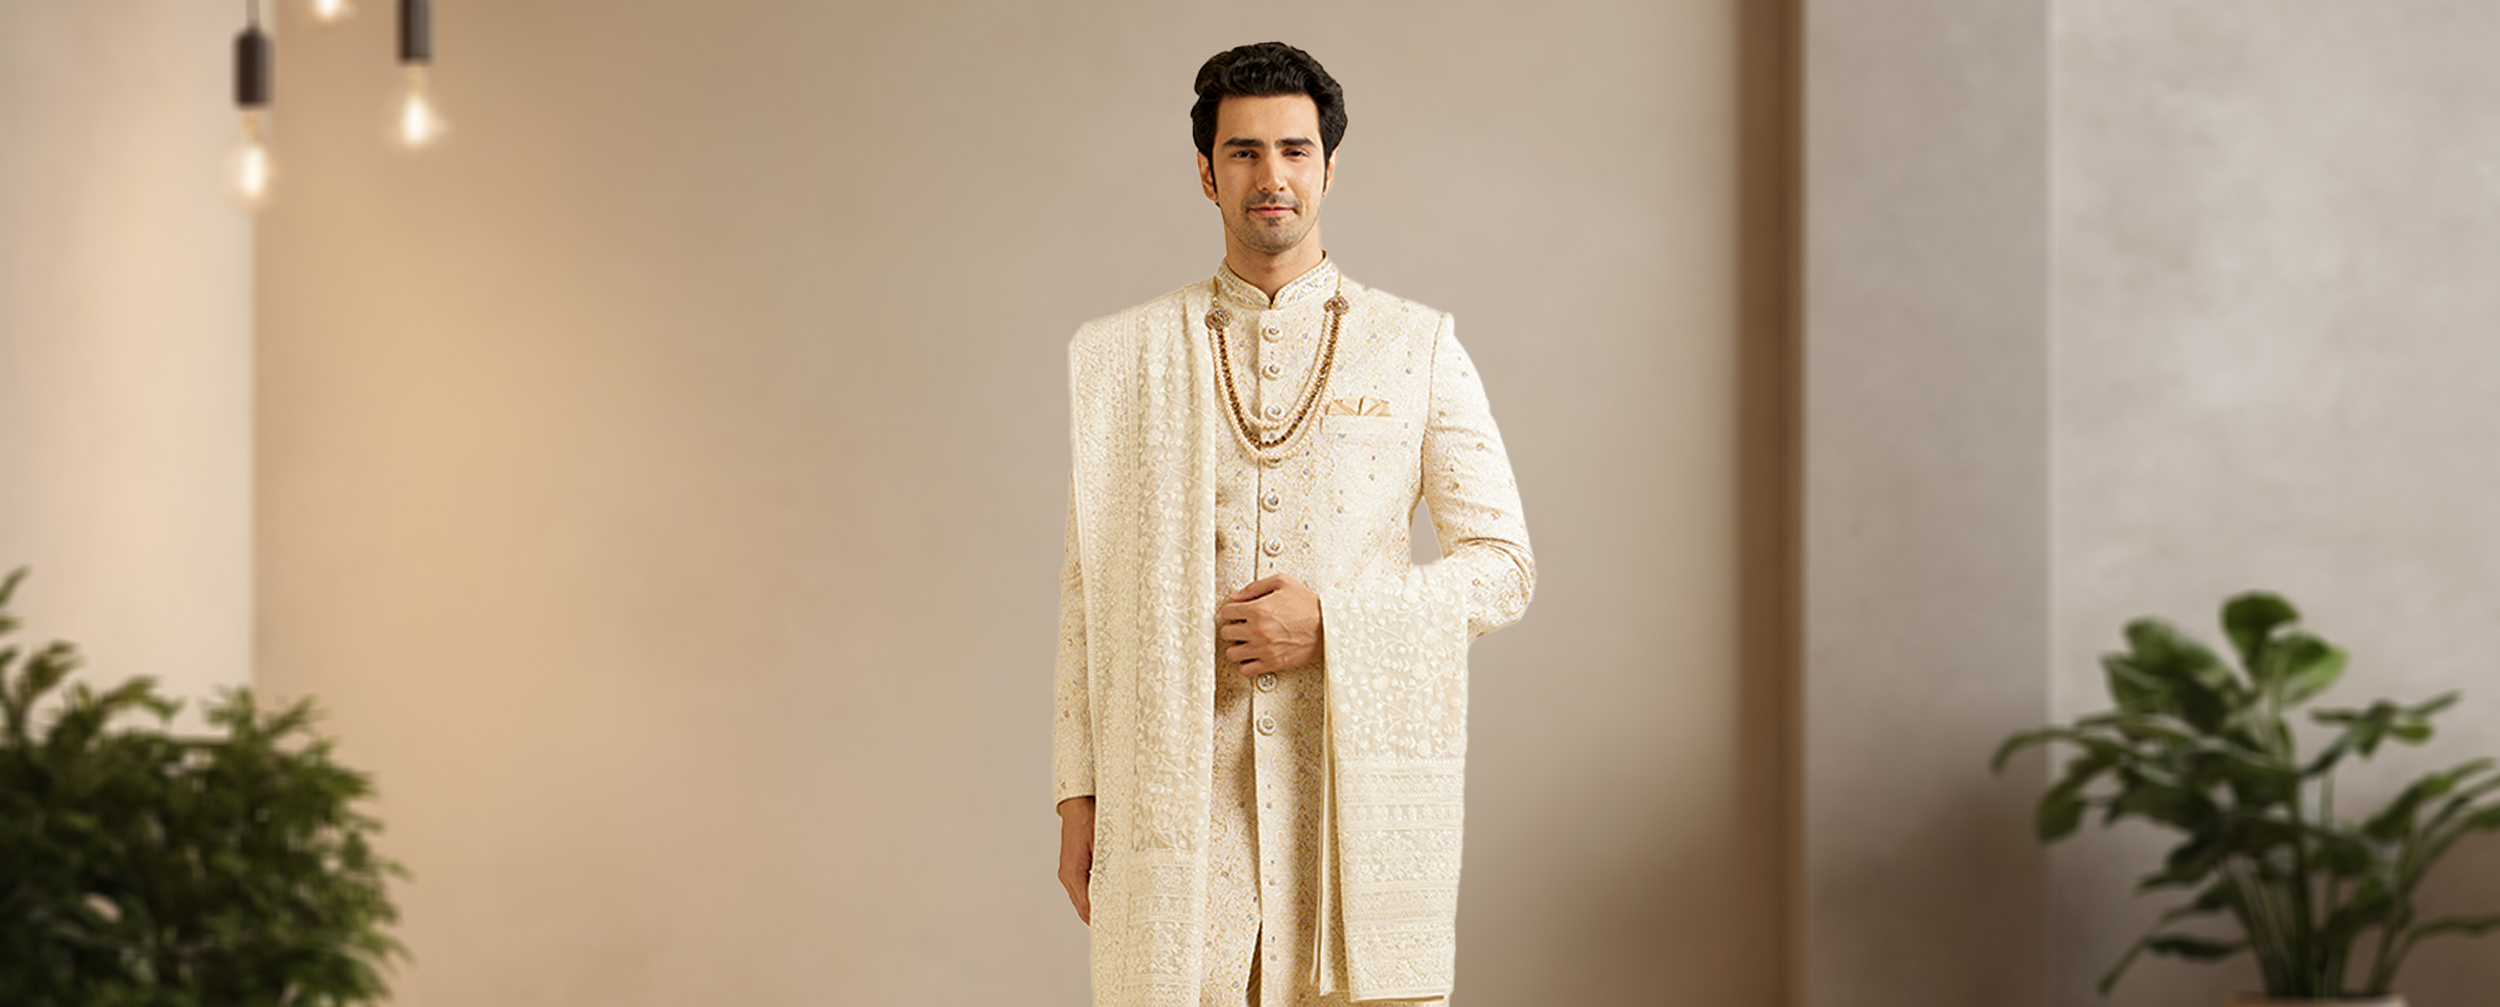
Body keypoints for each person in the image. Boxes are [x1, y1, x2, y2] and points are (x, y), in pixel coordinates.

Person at [1052, 41, 1534, 1007]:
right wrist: (1077, 794)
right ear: (1205, 172)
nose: (1271, 176)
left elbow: (1504, 568)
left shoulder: (1416, 347)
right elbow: (1087, 587)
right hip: (1179, 795)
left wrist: (1333, 624)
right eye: (1242, 153)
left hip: (1343, 803)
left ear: (1329, 166)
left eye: (1293, 150)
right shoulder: (1122, 357)